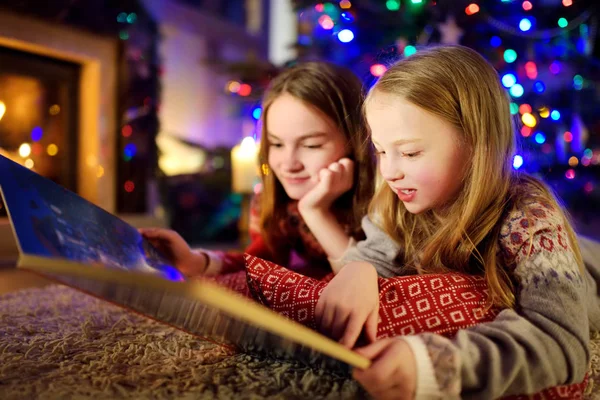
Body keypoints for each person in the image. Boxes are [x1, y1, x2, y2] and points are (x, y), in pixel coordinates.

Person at [315, 45, 599, 399]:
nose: (389, 171)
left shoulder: (531, 218)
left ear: (476, 143)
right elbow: (375, 253)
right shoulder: (397, 199)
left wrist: (439, 364)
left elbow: (564, 343)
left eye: (410, 152)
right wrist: (358, 271)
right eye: (381, 150)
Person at [141, 61, 375, 280]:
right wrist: (195, 261)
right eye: (277, 144)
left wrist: (316, 212)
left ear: (355, 141)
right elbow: (259, 266)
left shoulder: (384, 200)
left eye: (311, 145)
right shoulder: (273, 199)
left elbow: (365, 282)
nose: (289, 164)